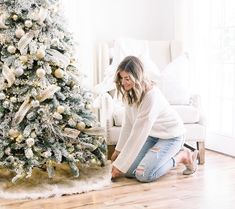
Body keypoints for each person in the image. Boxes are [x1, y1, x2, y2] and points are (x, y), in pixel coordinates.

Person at [111, 56, 198, 182]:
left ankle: (183, 156)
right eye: (121, 78)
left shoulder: (151, 96)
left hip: (171, 137)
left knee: (143, 175)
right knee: (129, 172)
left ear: (137, 77)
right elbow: (128, 125)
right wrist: (118, 151)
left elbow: (138, 134)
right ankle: (156, 158)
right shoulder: (130, 92)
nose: (123, 83)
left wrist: (120, 164)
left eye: (127, 78)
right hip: (153, 136)